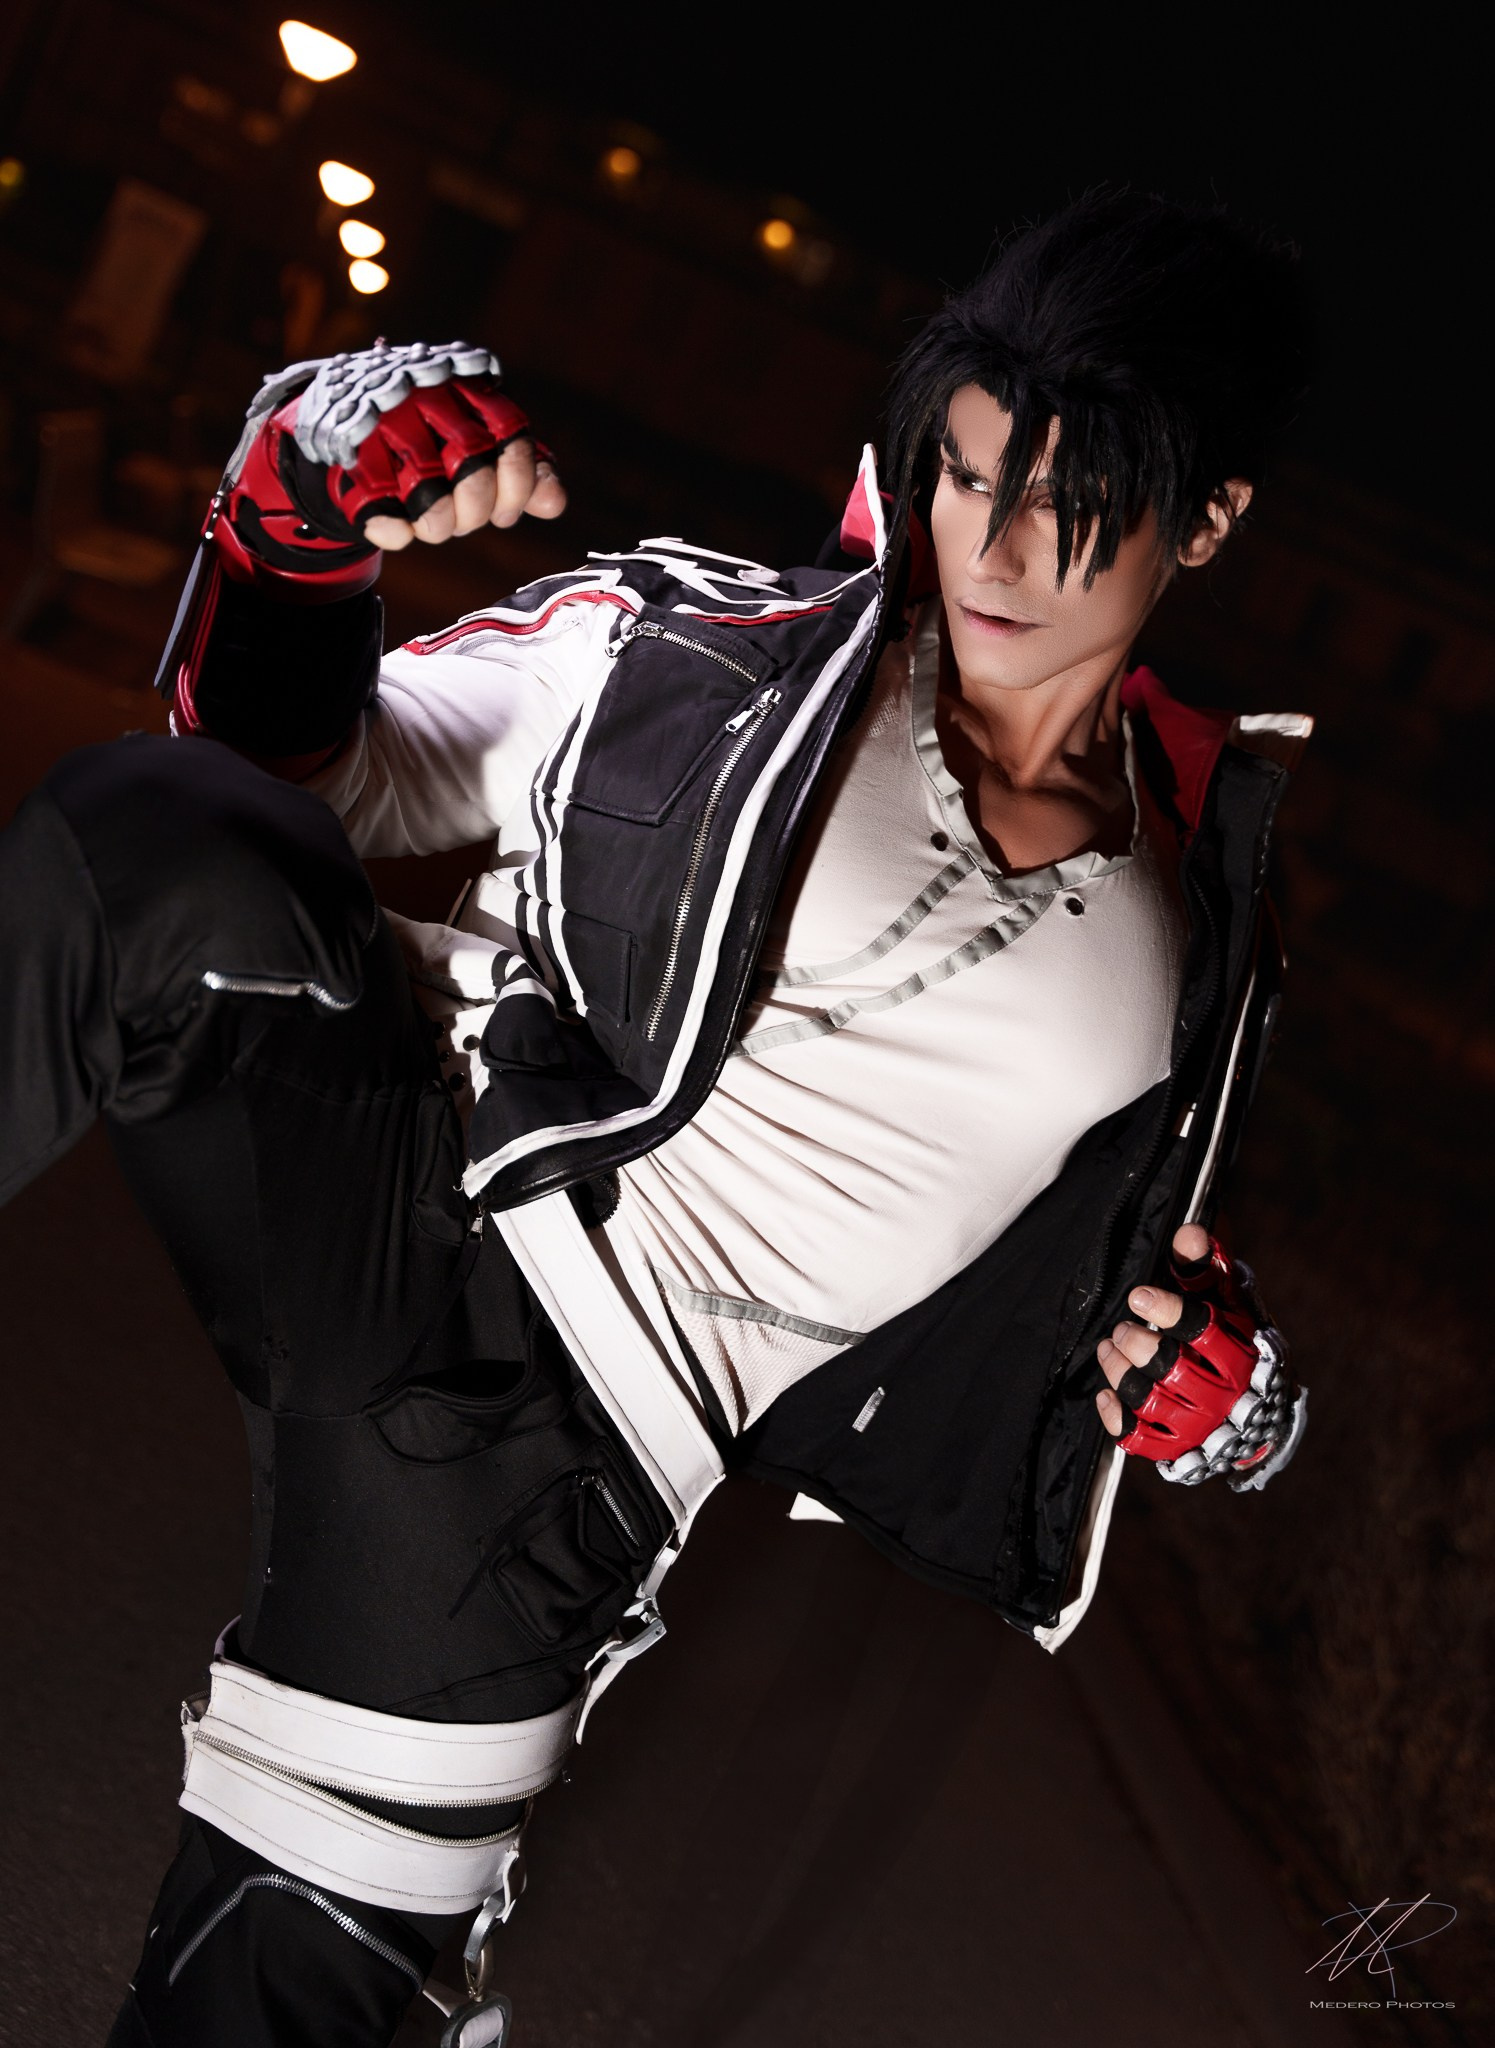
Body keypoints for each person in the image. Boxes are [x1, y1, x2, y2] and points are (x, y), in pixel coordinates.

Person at [0, 190, 1310, 2046]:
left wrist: (1232, 1405)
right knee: (166, 840)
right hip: (413, 1193)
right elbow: (289, 781)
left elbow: (1137, 1281)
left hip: (554, 1489)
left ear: (1209, 519)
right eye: (964, 476)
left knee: (259, 2003)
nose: (996, 546)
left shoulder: (1201, 922)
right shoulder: (699, 648)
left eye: (1070, 500)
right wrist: (293, 539)